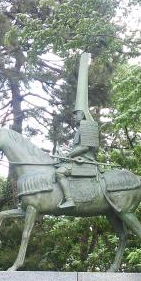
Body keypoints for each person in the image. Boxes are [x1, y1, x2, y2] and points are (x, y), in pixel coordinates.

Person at [55, 53, 100, 209]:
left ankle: (69, 200)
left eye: (76, 114)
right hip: (77, 159)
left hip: (86, 160)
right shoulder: (80, 128)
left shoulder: (88, 125)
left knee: (60, 172)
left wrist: (69, 155)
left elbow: (86, 147)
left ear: (83, 113)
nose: (74, 116)